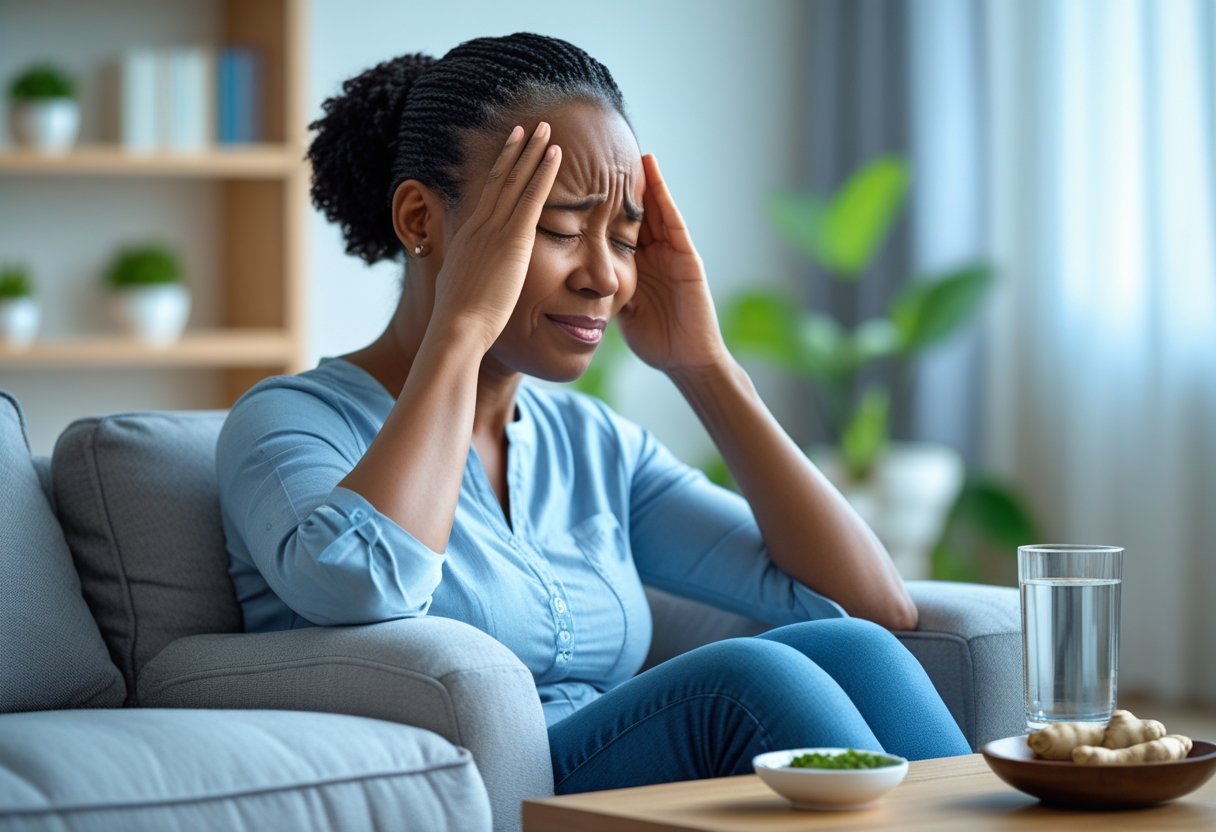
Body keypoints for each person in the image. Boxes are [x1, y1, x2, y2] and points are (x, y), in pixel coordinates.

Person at [216, 32, 970, 794]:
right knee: (746, 679)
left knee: (855, 651)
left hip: (608, 773)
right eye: (561, 229)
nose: (606, 277)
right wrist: (461, 330)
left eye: (626, 236)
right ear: (421, 221)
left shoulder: (594, 444)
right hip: (464, 785)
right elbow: (361, 586)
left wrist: (704, 367)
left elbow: (873, 603)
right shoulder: (290, 421)